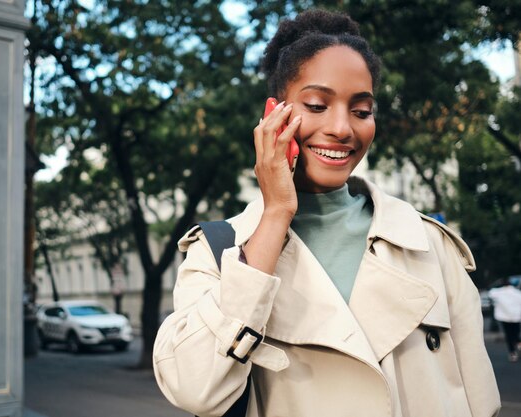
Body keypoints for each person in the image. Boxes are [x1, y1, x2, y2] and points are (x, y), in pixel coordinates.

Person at [153, 9, 500, 417]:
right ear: (273, 114)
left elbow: (482, 400)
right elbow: (195, 390)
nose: (342, 128)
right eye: (317, 105)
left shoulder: (428, 244)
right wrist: (277, 211)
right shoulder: (218, 252)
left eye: (362, 110)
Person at [489, 278, 521, 362]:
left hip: (504, 317)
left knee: (509, 335)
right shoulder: (517, 293)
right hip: (516, 317)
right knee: (516, 332)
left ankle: (512, 352)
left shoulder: (498, 292)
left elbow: (490, 293)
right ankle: (518, 342)